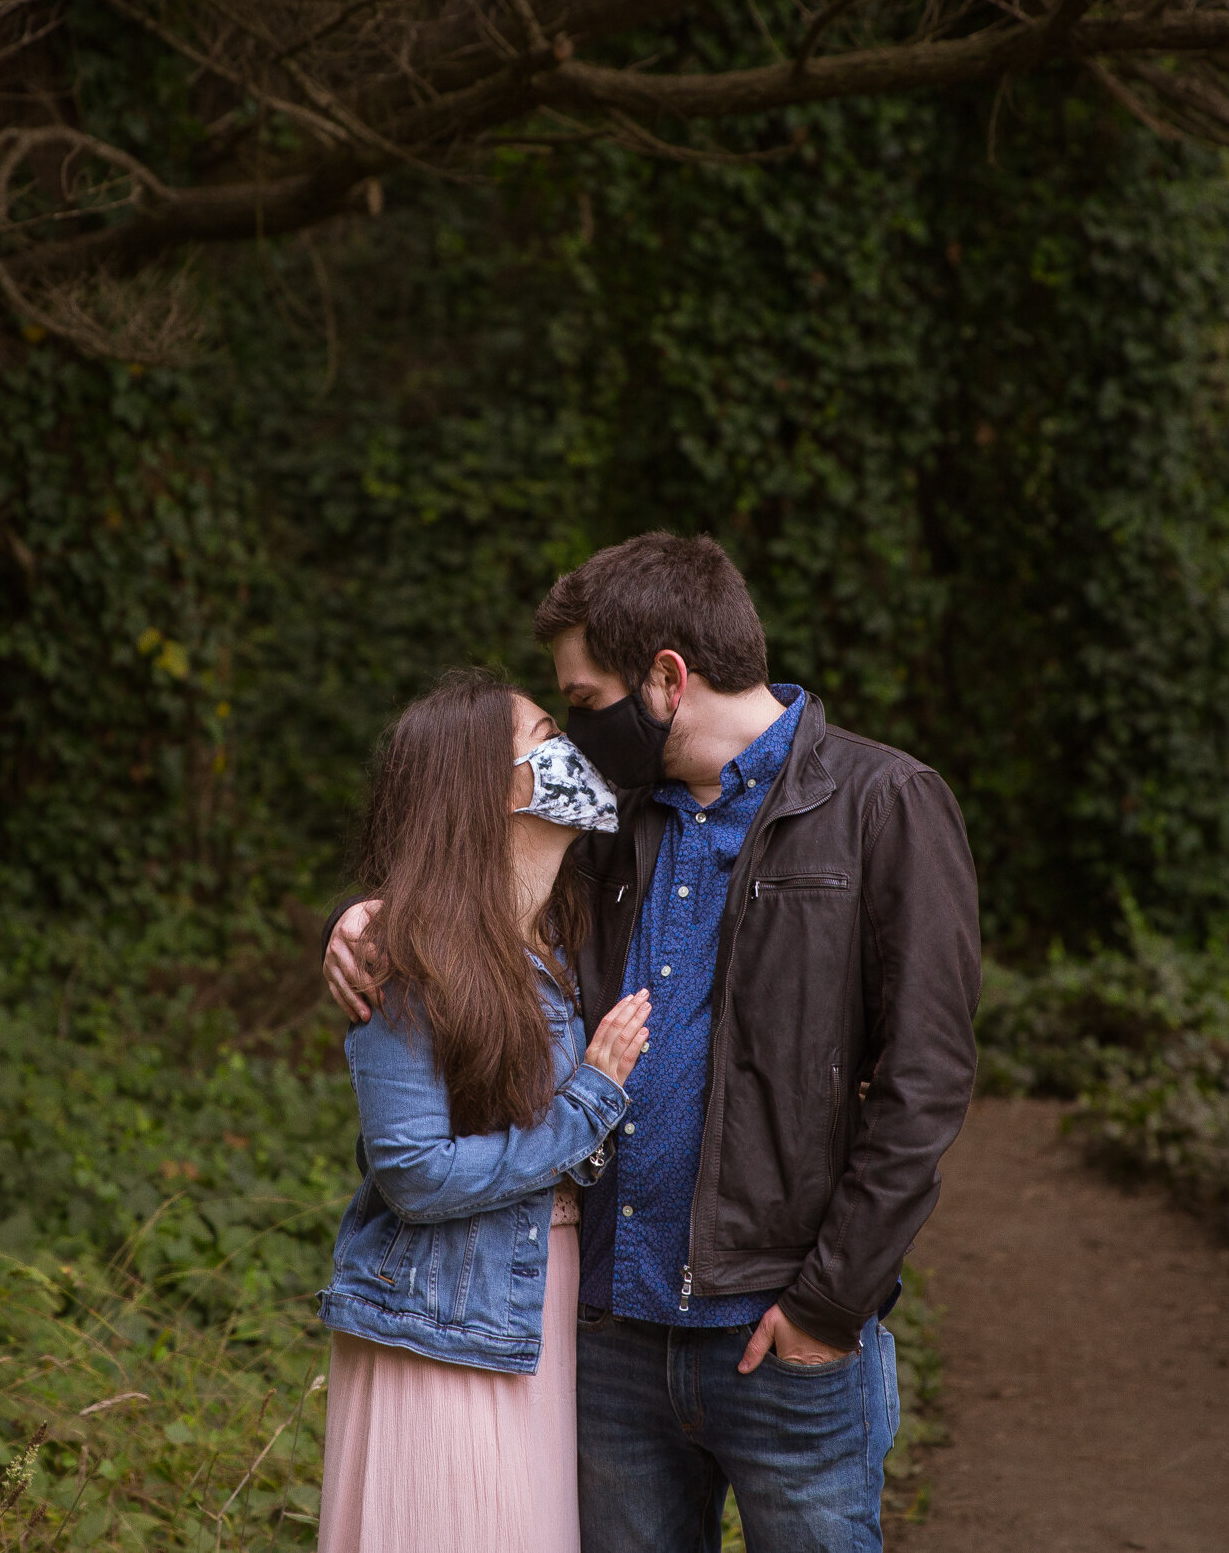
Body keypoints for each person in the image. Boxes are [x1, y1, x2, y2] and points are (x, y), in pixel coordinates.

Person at [325, 533, 982, 1553]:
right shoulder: (609, 821)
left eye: (584, 701)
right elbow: (474, 874)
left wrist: (827, 1305)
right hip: (608, 1346)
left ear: (666, 679)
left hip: (780, 1340)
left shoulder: (881, 803)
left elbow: (925, 1084)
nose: (578, 735)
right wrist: (368, 921)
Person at [314, 669, 654, 1553]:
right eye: (545, 732)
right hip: (445, 1326)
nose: (568, 752)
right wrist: (589, 1102)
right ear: (492, 789)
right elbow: (414, 1174)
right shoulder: (407, 956)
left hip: (536, 1308)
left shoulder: (557, 934)